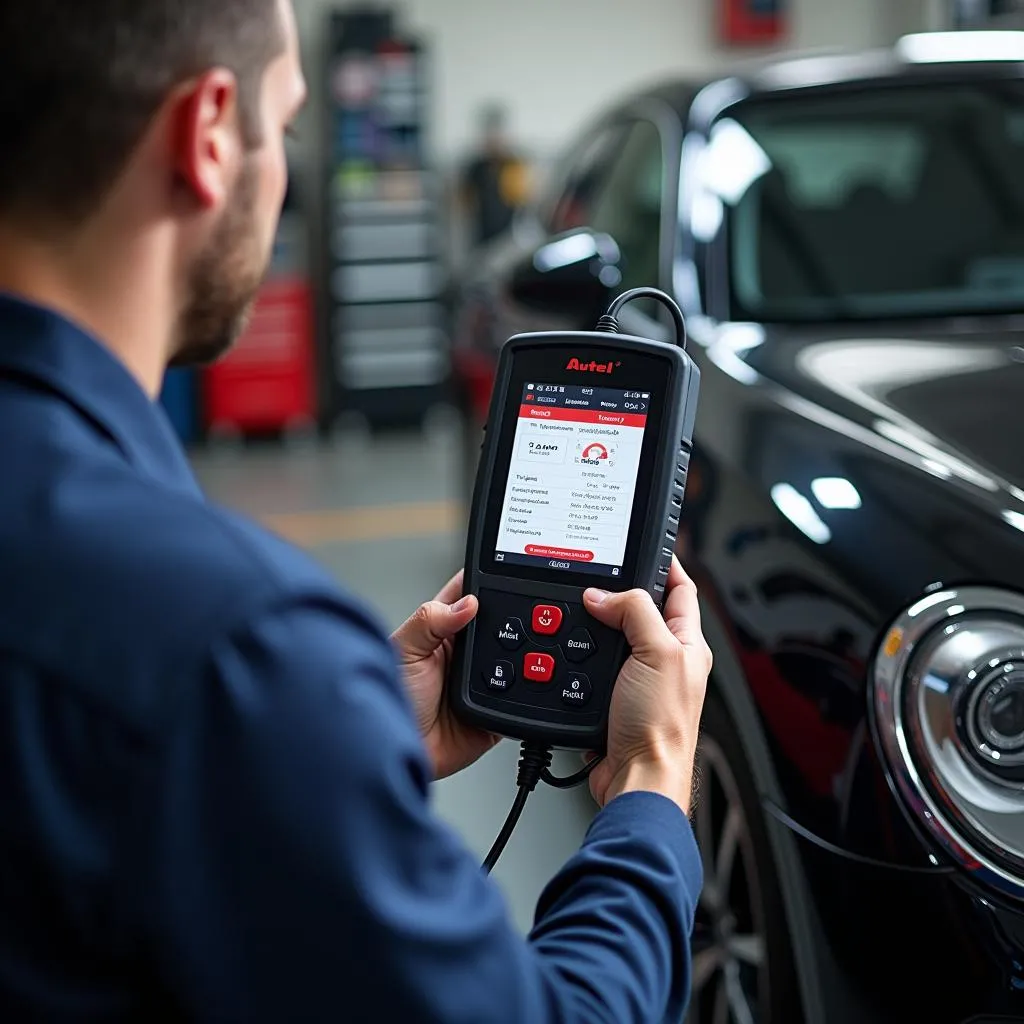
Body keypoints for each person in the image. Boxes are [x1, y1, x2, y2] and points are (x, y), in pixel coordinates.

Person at [0, 2, 712, 1021]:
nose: (283, 168)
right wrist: (650, 780)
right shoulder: (234, 646)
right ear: (208, 136)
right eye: (283, 127)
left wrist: (317, 757)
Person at [459, 103, 532, 247]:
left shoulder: (514, 165)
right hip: (482, 237)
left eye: (497, 134)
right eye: (490, 135)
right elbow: (465, 204)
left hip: (510, 237)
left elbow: (524, 200)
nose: (494, 140)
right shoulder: (476, 168)